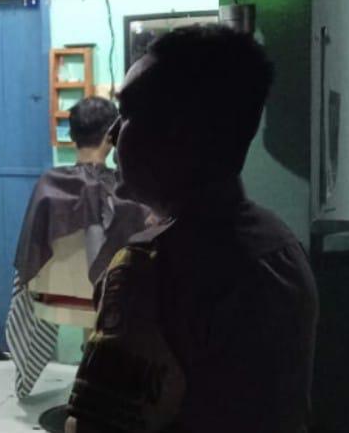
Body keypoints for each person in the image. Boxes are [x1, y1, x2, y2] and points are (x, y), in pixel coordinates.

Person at [65, 26, 318, 433]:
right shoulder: (282, 246)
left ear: (180, 131)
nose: (111, 136)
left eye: (127, 115)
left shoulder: (149, 268)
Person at [7, 96, 150, 400]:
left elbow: (30, 253)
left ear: (72, 136)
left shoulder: (48, 185)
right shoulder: (128, 193)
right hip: (112, 301)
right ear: (112, 137)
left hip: (55, 295)